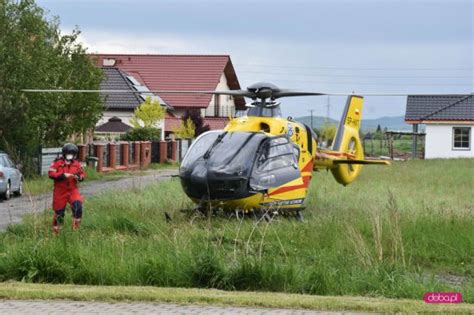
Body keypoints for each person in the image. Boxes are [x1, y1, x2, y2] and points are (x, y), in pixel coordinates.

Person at [48, 143, 86, 234]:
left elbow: (82, 174)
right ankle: (57, 233)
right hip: (60, 191)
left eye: (72, 154)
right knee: (59, 213)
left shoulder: (76, 164)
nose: (70, 156)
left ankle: (76, 229)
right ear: (64, 154)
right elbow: (51, 174)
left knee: (78, 207)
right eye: (68, 154)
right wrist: (62, 175)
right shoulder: (57, 163)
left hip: (73, 190)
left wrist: (79, 177)